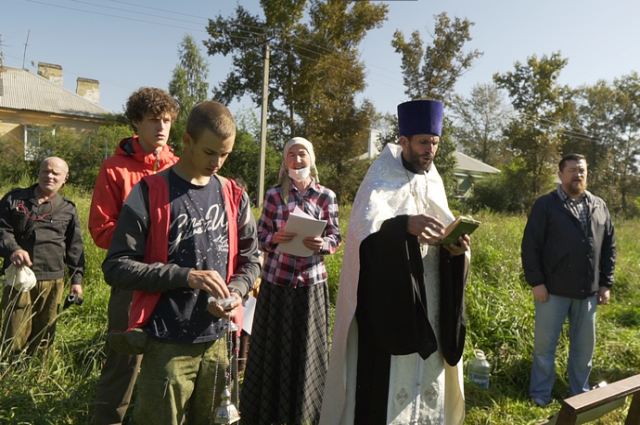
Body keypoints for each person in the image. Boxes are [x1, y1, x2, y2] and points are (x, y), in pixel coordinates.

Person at [101, 101, 261, 425]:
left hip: (218, 340)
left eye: (225, 154)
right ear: (187, 141)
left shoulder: (234, 195)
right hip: (166, 340)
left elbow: (251, 259)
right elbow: (116, 266)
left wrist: (235, 292)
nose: (217, 162)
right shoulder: (149, 192)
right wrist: (185, 276)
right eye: (209, 152)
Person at [320, 100, 470, 425]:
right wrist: (404, 227)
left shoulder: (434, 181)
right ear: (403, 141)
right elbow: (365, 239)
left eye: (435, 143)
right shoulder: (380, 178)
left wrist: (455, 250)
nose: (429, 150)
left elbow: (441, 234)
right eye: (422, 142)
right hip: (394, 308)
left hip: (429, 305)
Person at [90, 87, 179, 425]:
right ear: (135, 123)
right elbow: (101, 229)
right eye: (154, 120)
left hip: (175, 279)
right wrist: (150, 242)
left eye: (168, 120)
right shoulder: (115, 169)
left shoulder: (181, 167)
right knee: (122, 364)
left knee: (170, 363)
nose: (162, 127)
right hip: (132, 277)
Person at [240, 137, 342, 425]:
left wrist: (322, 243)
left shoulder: (326, 196)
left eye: (303, 154)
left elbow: (336, 237)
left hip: (311, 284)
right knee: (274, 347)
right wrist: (275, 238)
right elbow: (258, 238)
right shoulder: (273, 196)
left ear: (312, 159)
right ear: (284, 162)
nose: (297, 160)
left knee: (306, 349)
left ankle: (305, 412)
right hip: (276, 282)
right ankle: (268, 411)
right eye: (291, 155)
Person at [522, 153, 615, 407]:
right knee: (544, 349)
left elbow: (609, 247)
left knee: (583, 351)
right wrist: (536, 282)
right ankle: (540, 395)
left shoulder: (598, 205)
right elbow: (531, 246)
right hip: (552, 291)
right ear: (561, 174)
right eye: (572, 170)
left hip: (588, 293)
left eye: (582, 170)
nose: (578, 174)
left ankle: (580, 395)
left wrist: (606, 283)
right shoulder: (546, 205)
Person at [0, 157, 84, 355]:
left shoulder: (68, 208)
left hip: (53, 279)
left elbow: (75, 247)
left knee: (45, 333)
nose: (50, 176)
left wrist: (76, 280)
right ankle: (9, 375)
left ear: (65, 179)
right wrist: (14, 250)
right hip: (19, 277)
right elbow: (1, 229)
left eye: (56, 173)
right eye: (46, 171)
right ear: (38, 173)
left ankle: (38, 374)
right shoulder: (14, 199)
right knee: (13, 332)